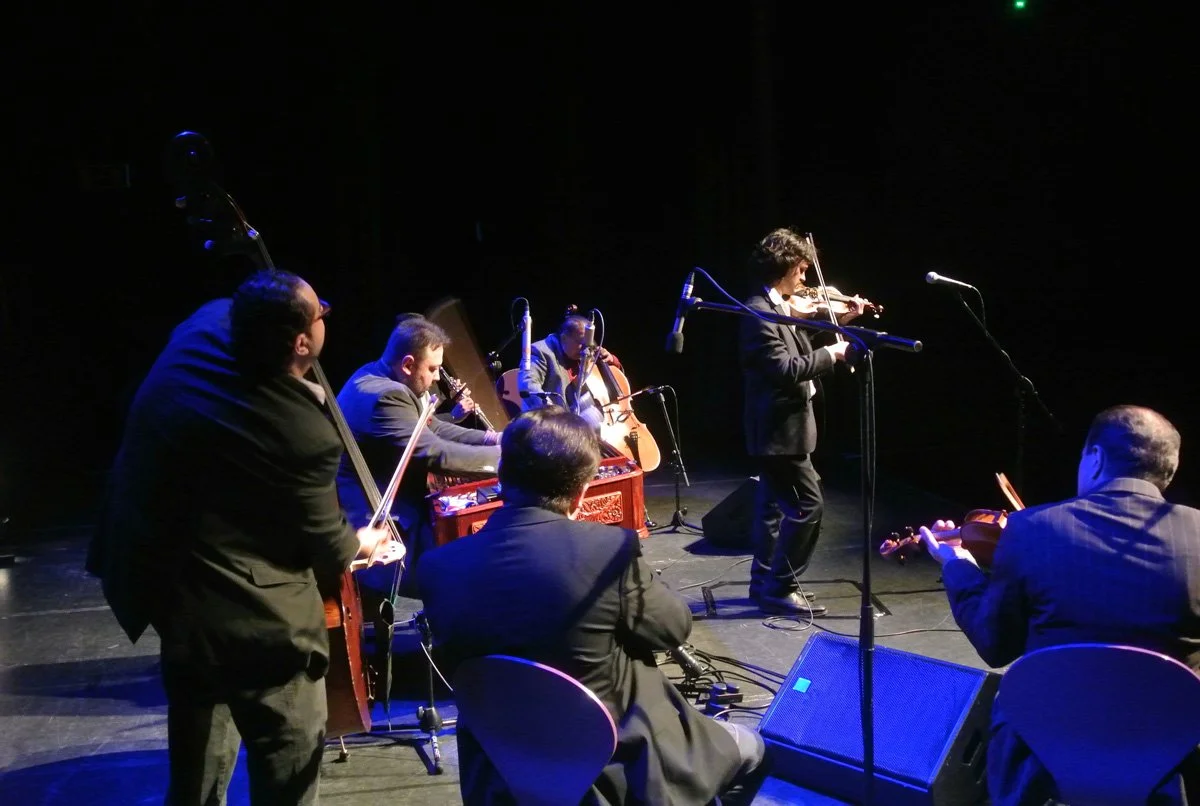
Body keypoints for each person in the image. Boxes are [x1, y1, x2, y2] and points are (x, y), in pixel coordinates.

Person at [86, 268, 396, 806]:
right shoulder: (305, 434)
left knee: (199, 736)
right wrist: (363, 544)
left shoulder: (204, 325)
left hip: (167, 584)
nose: (326, 314)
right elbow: (329, 547)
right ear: (302, 342)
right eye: (320, 312)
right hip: (255, 618)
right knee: (288, 754)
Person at [415, 406, 766, 804]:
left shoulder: (437, 568)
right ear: (582, 492)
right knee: (753, 749)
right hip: (616, 762)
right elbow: (672, 628)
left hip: (502, 767)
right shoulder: (606, 551)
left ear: (501, 475)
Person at [920, 404, 1200, 806]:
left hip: (1046, 749)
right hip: (1170, 756)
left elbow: (995, 644)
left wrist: (958, 566)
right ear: (1167, 471)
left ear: (1096, 458)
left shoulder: (1032, 529)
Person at [740, 227, 865, 616]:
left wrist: (840, 320)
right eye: (801, 270)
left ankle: (764, 584)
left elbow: (795, 346)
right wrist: (834, 353)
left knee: (772, 510)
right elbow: (784, 368)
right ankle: (781, 587)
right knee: (808, 506)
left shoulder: (777, 305)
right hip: (779, 432)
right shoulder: (759, 311)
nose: (805, 278)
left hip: (784, 429)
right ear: (784, 267)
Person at [335, 315, 501, 603]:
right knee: (455, 583)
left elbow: (431, 428)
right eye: (433, 369)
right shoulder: (384, 396)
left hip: (400, 512)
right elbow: (434, 453)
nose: (437, 377)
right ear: (408, 364)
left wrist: (493, 439)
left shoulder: (378, 375)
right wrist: (510, 458)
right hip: (384, 530)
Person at [517, 311, 623, 430]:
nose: (586, 350)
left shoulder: (585, 352)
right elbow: (527, 385)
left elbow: (617, 379)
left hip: (579, 427)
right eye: (581, 343)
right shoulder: (541, 351)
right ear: (564, 337)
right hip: (547, 427)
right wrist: (554, 414)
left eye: (588, 345)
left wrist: (611, 360)